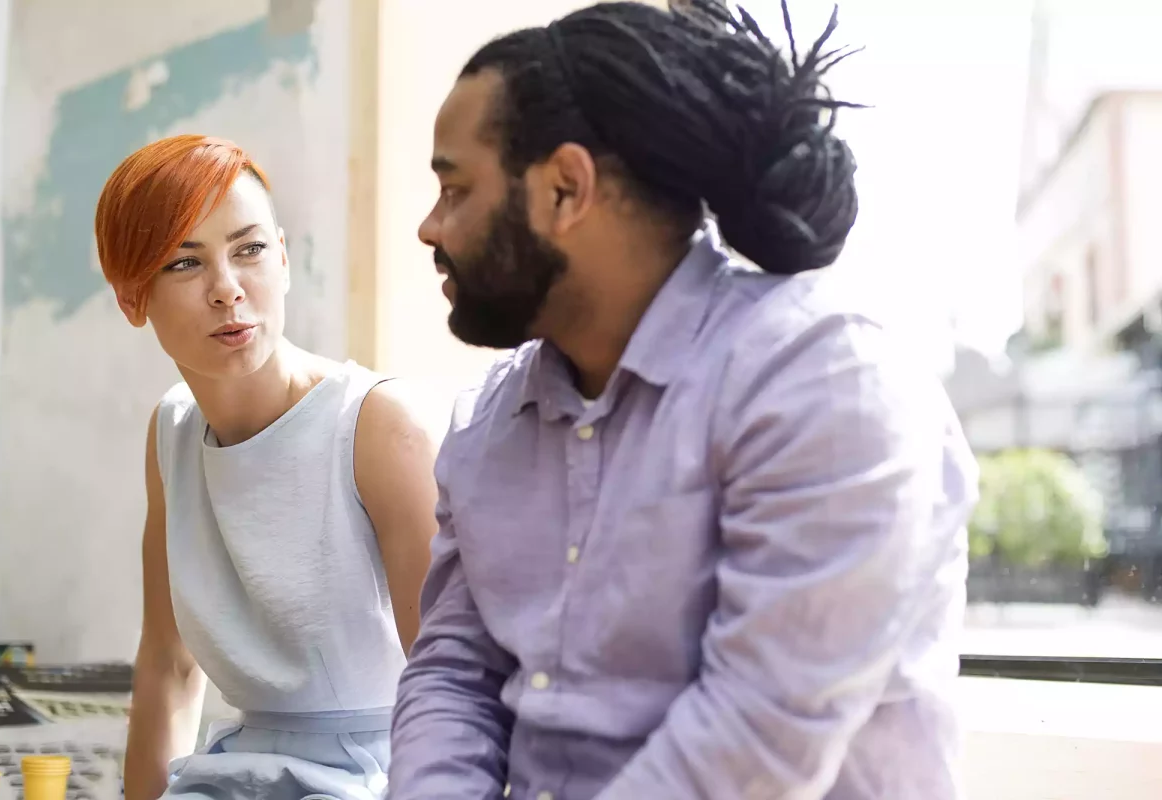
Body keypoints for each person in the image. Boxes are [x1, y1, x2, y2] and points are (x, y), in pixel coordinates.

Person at [388, 2, 977, 799]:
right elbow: (453, 675)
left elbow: (754, 743)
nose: (430, 227)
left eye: (455, 189)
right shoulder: (489, 423)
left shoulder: (826, 382)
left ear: (566, 188)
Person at [95, 134, 439, 800]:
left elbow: (451, 685)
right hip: (241, 772)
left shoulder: (378, 425)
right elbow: (169, 666)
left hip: (386, 774)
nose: (228, 290)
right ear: (132, 297)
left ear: (281, 259)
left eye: (248, 250)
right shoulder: (171, 431)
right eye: (184, 264)